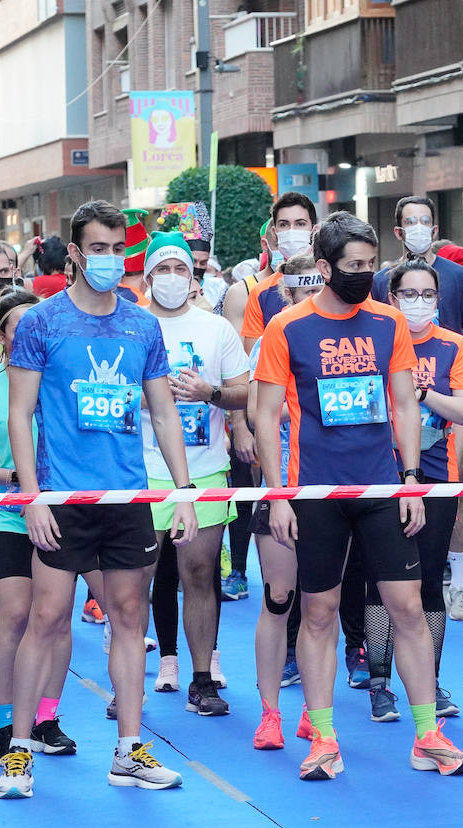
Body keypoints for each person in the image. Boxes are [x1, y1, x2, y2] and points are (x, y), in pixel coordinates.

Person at [253, 211, 463, 780]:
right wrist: (278, 495)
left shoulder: (389, 323)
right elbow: (266, 412)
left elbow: (405, 404)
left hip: (383, 486)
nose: (364, 275)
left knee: (407, 607)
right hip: (316, 490)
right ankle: (323, 738)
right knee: (320, 612)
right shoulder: (287, 327)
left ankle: (428, 734)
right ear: (325, 268)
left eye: (371, 266)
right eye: (353, 267)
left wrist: (409, 480)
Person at [0, 200, 198, 799]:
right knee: (48, 617)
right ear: (77, 255)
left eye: (120, 249)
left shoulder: (142, 325)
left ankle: (129, 750)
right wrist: (31, 496)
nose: (112, 260)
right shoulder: (41, 323)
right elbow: (20, 412)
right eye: (100, 250)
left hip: (127, 495)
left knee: (129, 618)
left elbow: (163, 411)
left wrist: (183, 491)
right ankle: (19, 752)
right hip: (60, 496)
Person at [0, 289, 79, 763]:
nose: (32, 333)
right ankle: (7, 724)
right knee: (16, 614)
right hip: (5, 518)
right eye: (20, 326)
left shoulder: (62, 381)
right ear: (3, 335)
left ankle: (47, 718)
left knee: (58, 616)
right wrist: (16, 479)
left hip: (58, 515)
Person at [136, 232, 249, 714]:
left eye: (180, 269)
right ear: (146, 278)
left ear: (194, 276)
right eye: (162, 270)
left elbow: (247, 392)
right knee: (134, 581)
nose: (172, 279)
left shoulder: (215, 328)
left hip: (204, 470)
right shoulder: (130, 325)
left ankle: (202, 678)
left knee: (200, 573)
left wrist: (209, 393)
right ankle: (131, 682)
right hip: (140, 471)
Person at [363, 258, 463, 723]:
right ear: (391, 299)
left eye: (427, 294)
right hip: (379, 474)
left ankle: (429, 680)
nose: (418, 303)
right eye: (408, 294)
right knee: (381, 582)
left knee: (430, 581)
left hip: (438, 475)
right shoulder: (373, 340)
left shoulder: (456, 346)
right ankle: (379, 682)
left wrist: (423, 391)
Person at [249, 255, 320, 749]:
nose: (309, 296)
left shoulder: (353, 334)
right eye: (300, 289)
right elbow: (259, 414)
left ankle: (316, 712)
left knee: (322, 606)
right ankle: (270, 713)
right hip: (282, 486)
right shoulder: (276, 335)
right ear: (285, 292)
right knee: (279, 599)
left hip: (332, 484)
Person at [371, 196, 463, 335]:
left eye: (425, 221)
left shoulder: (459, 275)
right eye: (410, 222)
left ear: (434, 231)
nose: (418, 227)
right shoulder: (380, 281)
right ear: (399, 232)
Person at [238, 192, 319, 349]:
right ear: (274, 234)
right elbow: (254, 357)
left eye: (300, 224)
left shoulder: (336, 282)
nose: (291, 231)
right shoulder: (260, 293)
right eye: (284, 224)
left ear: (314, 231)